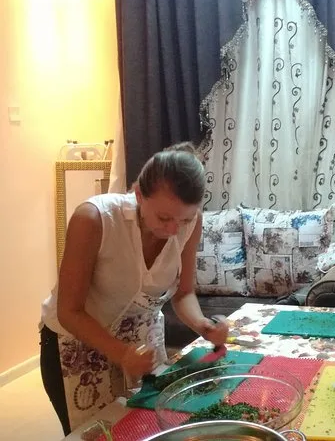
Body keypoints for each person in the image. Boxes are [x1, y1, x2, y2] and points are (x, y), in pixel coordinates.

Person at [39, 143, 230, 435]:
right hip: (76, 344)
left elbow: (184, 294)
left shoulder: (191, 223)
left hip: (140, 344)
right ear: (139, 195)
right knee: (97, 434)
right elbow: (69, 312)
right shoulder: (94, 219)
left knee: (150, 428)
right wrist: (121, 353)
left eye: (185, 219)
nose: (174, 230)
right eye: (164, 218)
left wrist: (203, 324)